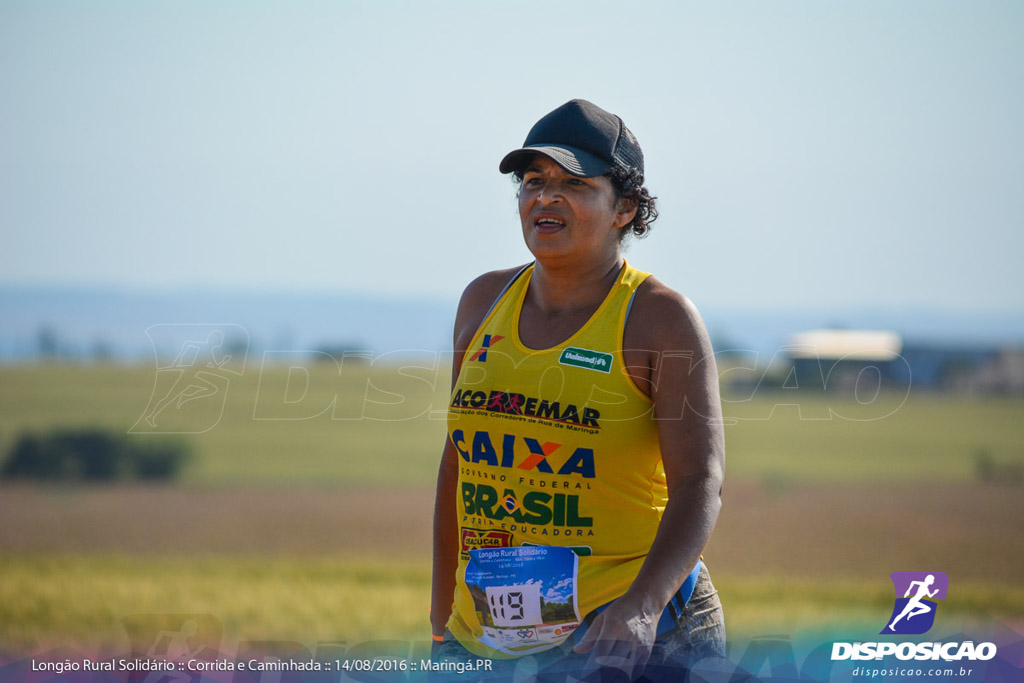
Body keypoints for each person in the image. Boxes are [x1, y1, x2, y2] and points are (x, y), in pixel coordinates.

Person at [430, 99, 726, 682]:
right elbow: (458, 465)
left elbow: (700, 480)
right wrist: (443, 621)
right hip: (485, 642)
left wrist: (641, 608)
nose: (545, 197)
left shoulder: (659, 318)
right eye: (533, 181)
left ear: (626, 209)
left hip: (631, 636)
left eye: (574, 183)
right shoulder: (482, 301)